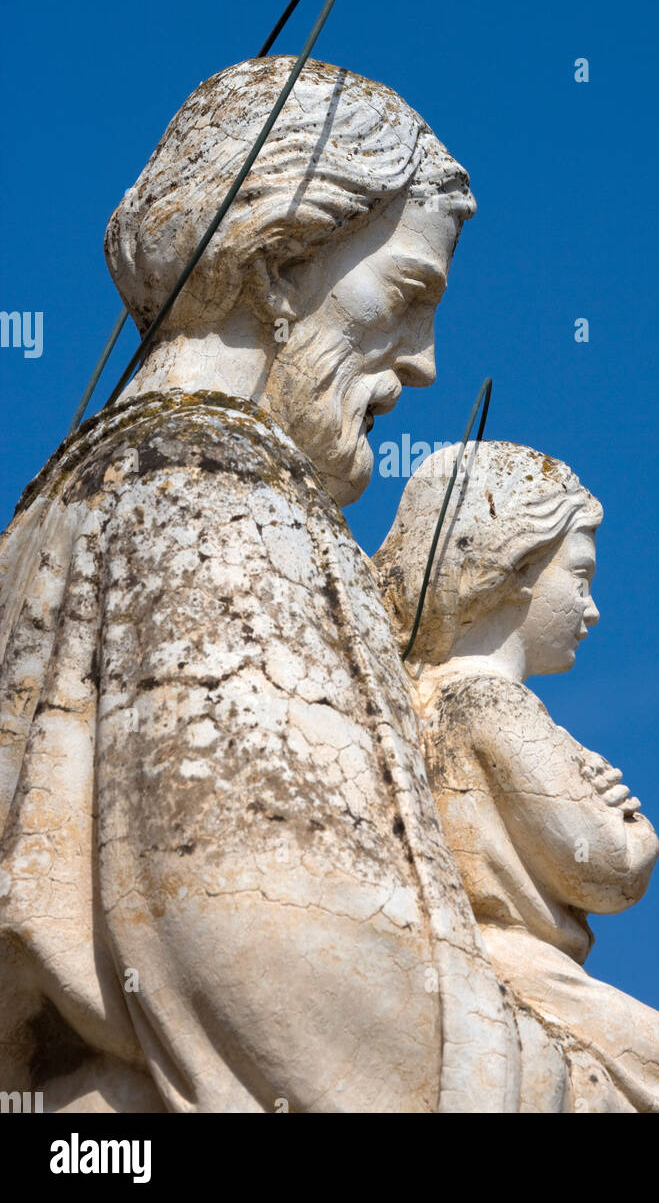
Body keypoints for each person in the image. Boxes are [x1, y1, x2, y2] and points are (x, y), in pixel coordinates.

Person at [0, 57, 522, 1112]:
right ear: (278, 261)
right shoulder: (214, 494)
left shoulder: (66, 501)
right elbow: (284, 960)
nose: (421, 361)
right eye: (407, 293)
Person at [374, 440, 659, 1112]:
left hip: (476, 957)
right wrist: (634, 829)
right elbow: (609, 867)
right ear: (516, 566)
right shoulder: (490, 702)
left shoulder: (417, 696)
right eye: (579, 577)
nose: (592, 607)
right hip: (519, 965)